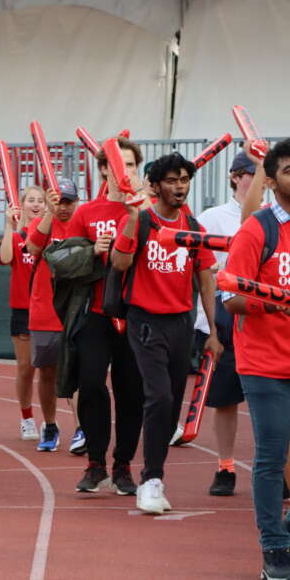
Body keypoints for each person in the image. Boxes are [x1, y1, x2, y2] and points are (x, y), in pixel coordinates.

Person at [111, 153, 222, 515]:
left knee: (171, 403)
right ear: (155, 185)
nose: (180, 187)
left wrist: (213, 330)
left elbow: (205, 276)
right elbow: (120, 263)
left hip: (181, 323)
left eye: (185, 180)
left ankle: (154, 476)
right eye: (172, 181)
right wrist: (130, 219)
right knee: (158, 397)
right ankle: (151, 480)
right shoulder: (141, 221)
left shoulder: (194, 228)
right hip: (145, 320)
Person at [221, 138, 290, 580]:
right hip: (265, 363)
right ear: (271, 179)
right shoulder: (258, 229)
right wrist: (272, 304)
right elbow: (231, 297)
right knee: (271, 454)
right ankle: (274, 548)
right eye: (288, 169)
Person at [66, 137, 146, 495]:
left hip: (136, 313)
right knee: (93, 384)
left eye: (130, 166)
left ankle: (124, 465)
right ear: (103, 170)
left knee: (132, 392)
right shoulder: (87, 213)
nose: (125, 173)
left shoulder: (147, 210)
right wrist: (90, 252)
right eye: (117, 166)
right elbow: (64, 260)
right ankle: (96, 462)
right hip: (96, 313)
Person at [192, 151, 257, 497]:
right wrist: (210, 329)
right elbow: (199, 269)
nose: (258, 180)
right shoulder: (213, 217)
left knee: (274, 402)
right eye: (252, 173)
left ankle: (278, 471)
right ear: (235, 176)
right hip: (225, 318)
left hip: (267, 320)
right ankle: (226, 466)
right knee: (226, 400)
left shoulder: (277, 218)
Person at [25, 179, 80, 453]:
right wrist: (48, 210)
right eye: (59, 201)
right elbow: (33, 248)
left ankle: (82, 428)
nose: (63, 208)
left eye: (68, 201)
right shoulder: (41, 224)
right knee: (47, 372)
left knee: (78, 372)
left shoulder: (83, 223)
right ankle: (49, 424)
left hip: (76, 309)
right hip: (44, 311)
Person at [0, 186, 44, 441]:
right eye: (31, 200)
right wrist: (8, 225)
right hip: (23, 310)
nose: (36, 205)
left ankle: (51, 420)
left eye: (40, 201)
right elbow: (4, 258)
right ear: (22, 205)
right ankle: (27, 418)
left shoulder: (47, 237)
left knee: (51, 370)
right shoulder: (17, 237)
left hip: (47, 310)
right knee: (26, 368)